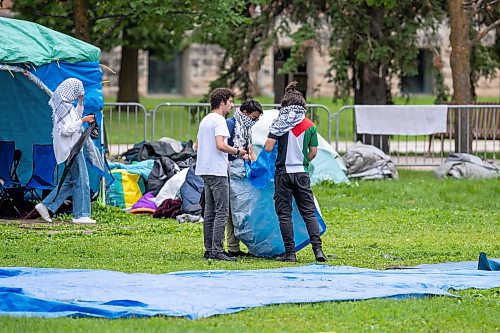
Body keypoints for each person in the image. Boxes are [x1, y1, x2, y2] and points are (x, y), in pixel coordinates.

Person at [264, 81, 327, 262]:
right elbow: (313, 152)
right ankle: (318, 251)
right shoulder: (310, 125)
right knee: (308, 212)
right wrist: (304, 161)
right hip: (301, 173)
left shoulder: (280, 123)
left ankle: (290, 254)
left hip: (283, 173)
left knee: (285, 214)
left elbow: (268, 148)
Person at [35, 78, 96, 224]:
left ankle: (45, 205)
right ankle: (81, 215)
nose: (78, 94)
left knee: (69, 182)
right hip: (72, 149)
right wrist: (83, 121)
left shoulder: (65, 105)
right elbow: (66, 129)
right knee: (82, 180)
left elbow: (75, 116)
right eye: (78, 92)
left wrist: (80, 103)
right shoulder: (65, 107)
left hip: (72, 148)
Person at [196, 88, 247, 261]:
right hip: (217, 171)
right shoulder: (219, 121)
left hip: (204, 169)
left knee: (210, 212)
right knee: (222, 211)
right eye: (231, 102)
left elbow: (196, 146)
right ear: (222, 102)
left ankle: (209, 249)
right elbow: (220, 145)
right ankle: (217, 250)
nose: (232, 106)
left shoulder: (205, 120)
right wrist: (238, 151)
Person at [225, 99, 263, 257]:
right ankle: (232, 247)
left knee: (240, 210)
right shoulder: (230, 124)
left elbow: (250, 149)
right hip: (229, 172)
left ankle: (237, 246)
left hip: (242, 173)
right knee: (230, 211)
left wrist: (257, 164)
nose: (254, 121)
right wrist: (242, 154)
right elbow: (224, 149)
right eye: (253, 118)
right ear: (245, 113)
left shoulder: (247, 128)